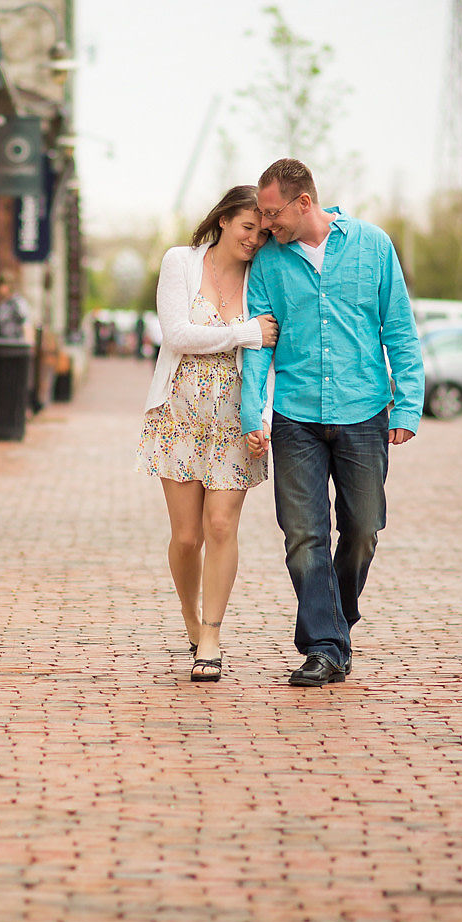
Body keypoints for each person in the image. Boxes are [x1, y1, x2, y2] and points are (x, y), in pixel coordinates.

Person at [239, 158, 423, 687]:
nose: (265, 224)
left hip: (365, 411)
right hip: (295, 415)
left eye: (272, 213)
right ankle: (323, 645)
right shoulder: (269, 266)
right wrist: (254, 412)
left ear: (304, 202)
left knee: (363, 530)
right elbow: (258, 348)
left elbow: (400, 331)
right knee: (303, 535)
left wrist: (408, 404)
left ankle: (335, 621)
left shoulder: (372, 246)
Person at [136, 185, 279, 682]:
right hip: (177, 416)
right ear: (223, 221)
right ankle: (189, 615)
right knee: (186, 535)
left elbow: (273, 353)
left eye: (262, 233)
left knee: (221, 526)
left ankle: (212, 637)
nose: (255, 240)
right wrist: (243, 332)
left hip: (235, 420)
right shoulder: (180, 262)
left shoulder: (264, 275)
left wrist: (264, 415)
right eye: (247, 228)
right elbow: (176, 333)